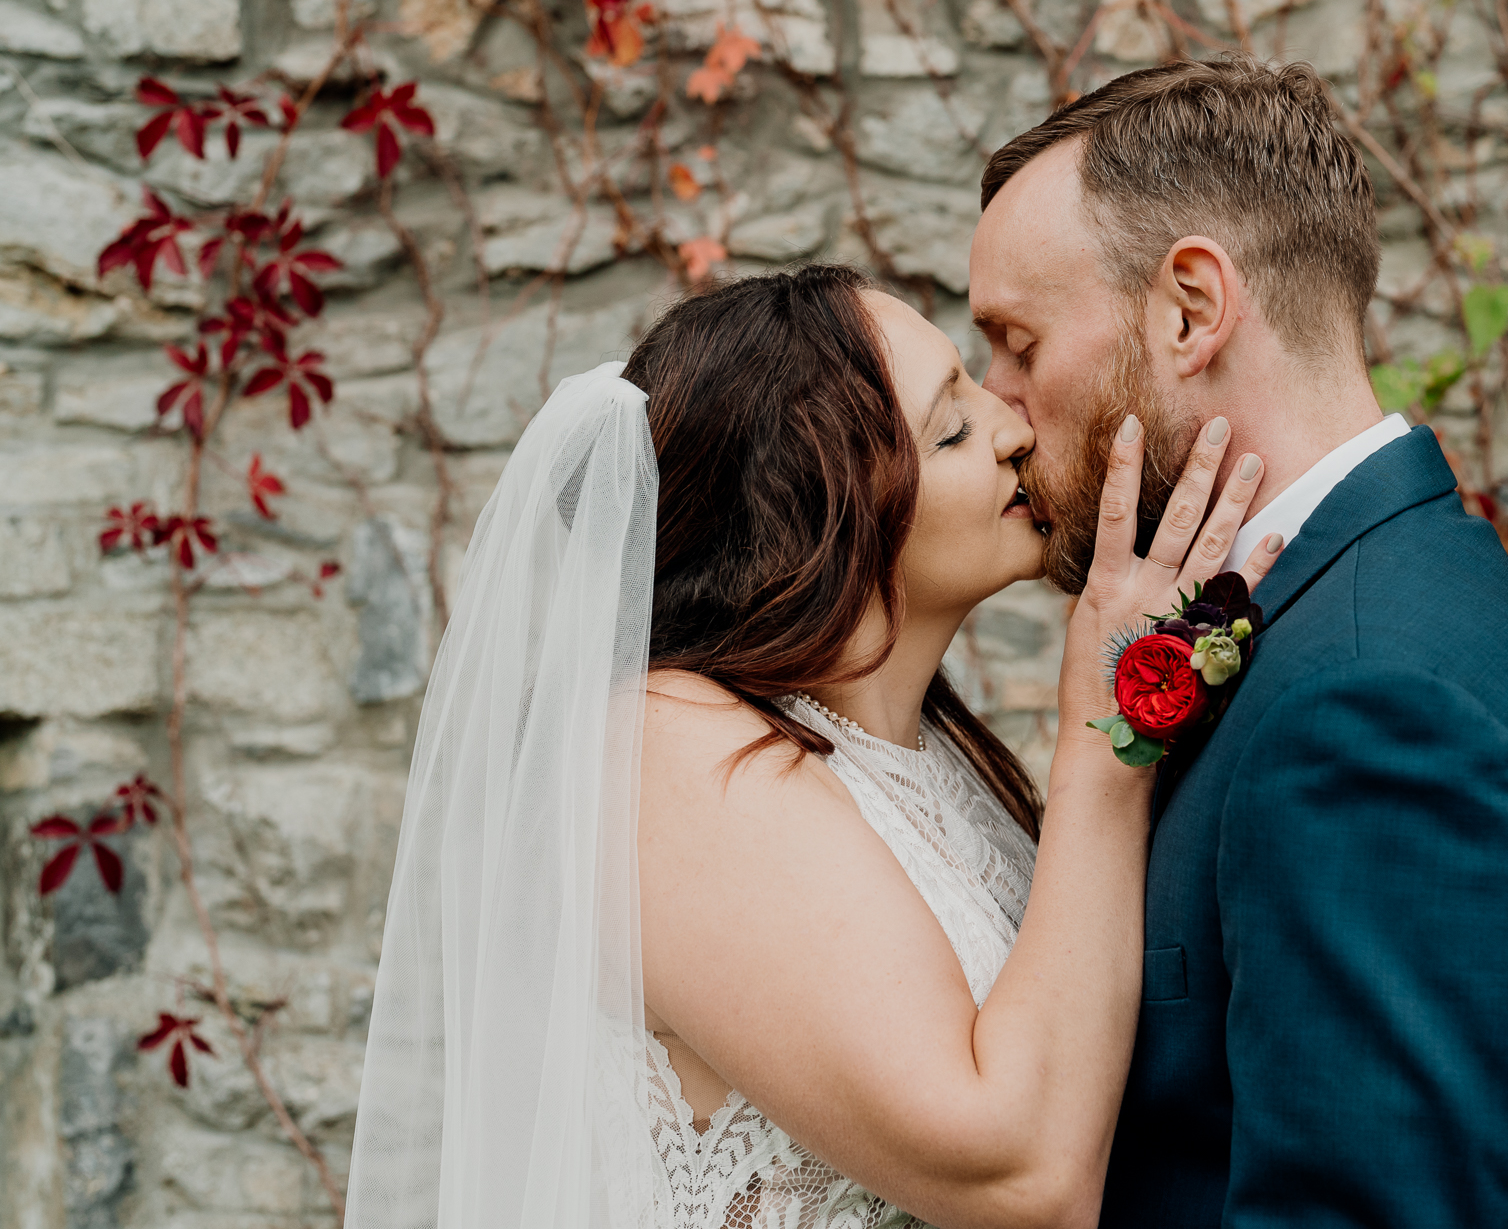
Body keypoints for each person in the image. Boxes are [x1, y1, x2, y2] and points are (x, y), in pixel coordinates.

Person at [344, 263, 1284, 1229]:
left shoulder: (927, 755)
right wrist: (1105, 732)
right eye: (952, 428)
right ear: (816, 519)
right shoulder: (665, 753)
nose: (1014, 431)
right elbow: (1025, 1177)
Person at [970, 55, 1508, 1228]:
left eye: (1019, 343)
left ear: (1190, 309)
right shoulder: (1368, 619)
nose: (995, 405)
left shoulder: (1374, 705)